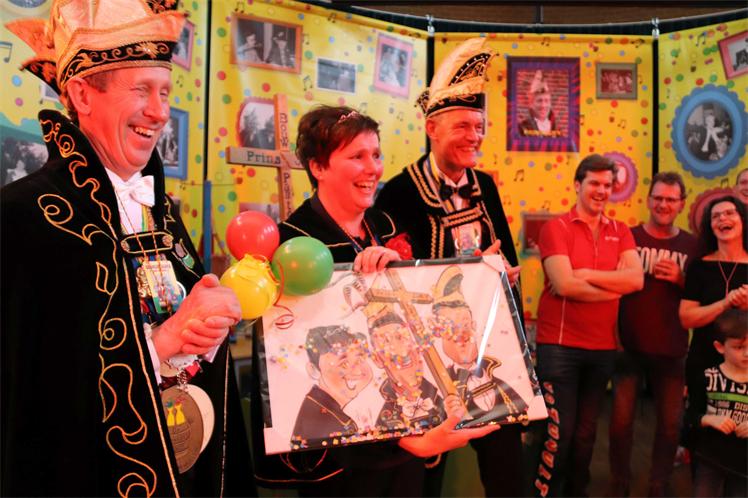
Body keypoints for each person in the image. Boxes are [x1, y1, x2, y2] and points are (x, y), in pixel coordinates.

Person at [1, 1, 254, 496]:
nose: (160, 112)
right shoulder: (23, 217)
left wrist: (206, 327)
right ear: (82, 94)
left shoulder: (160, 211)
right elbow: (35, 400)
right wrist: (167, 340)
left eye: (164, 91)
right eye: (141, 90)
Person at [251, 104, 498, 497]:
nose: (373, 169)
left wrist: (478, 279)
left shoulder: (387, 226)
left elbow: (422, 323)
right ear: (318, 167)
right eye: (357, 156)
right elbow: (293, 361)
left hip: (409, 441)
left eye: (376, 154)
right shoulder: (292, 242)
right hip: (346, 461)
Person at [376, 37, 525, 498]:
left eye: (479, 127)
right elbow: (393, 279)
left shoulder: (485, 185)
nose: (474, 136)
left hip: (487, 350)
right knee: (426, 473)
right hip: (427, 357)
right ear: (432, 128)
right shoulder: (398, 192)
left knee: (506, 466)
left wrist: (504, 276)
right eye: (463, 125)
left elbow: (507, 259)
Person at [533, 154, 644, 498]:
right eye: (594, 183)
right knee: (559, 434)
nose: (601, 190)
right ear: (578, 185)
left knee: (585, 436)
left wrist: (587, 275)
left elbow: (636, 280)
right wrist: (614, 288)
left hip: (602, 349)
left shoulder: (620, 231)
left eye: (607, 185)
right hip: (559, 347)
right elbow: (565, 285)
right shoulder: (556, 228)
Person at [608, 172, 699, 497]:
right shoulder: (628, 237)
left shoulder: (692, 245)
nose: (663, 204)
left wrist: (680, 279)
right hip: (628, 347)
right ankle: (619, 483)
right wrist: (613, 337)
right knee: (619, 424)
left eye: (670, 199)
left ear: (681, 204)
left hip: (672, 350)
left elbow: (703, 295)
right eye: (658, 198)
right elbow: (612, 289)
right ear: (648, 200)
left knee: (670, 426)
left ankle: (658, 484)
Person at [432, 265, 529, 426]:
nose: (460, 334)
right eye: (450, 327)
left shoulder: (501, 378)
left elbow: (524, 411)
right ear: (438, 332)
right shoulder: (438, 388)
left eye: (465, 324)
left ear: (474, 326)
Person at [679, 196, 748, 421]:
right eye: (715, 216)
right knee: (702, 425)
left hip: (745, 363)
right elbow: (686, 318)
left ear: (743, 220)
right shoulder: (699, 267)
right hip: (704, 361)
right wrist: (725, 303)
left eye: (729, 213)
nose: (722, 219)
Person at [685, 309, 748, 497]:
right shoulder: (707, 377)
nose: (747, 353)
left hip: (744, 464)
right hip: (710, 459)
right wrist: (708, 419)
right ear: (720, 347)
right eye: (738, 347)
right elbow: (689, 415)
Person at [292, 325, 372, 444]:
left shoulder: (322, 407)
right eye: (344, 364)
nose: (357, 371)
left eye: (360, 359)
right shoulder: (330, 425)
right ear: (314, 370)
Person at [519, 70, 559, 138]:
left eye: (546, 101)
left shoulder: (557, 128)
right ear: (531, 104)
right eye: (539, 101)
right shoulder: (522, 128)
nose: (543, 105)